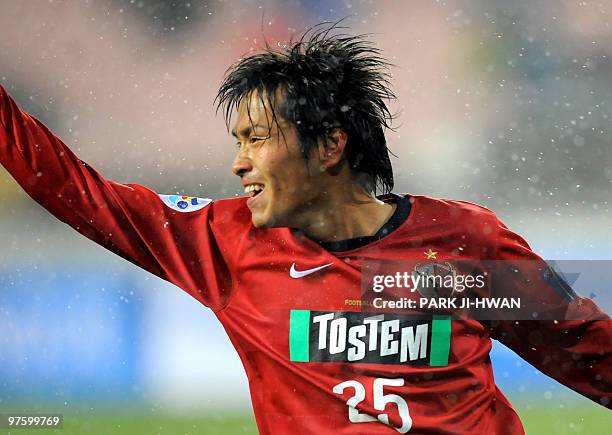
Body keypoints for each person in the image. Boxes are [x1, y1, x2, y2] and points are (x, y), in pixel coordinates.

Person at [1, 24, 610, 434]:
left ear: (329, 146)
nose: (238, 163)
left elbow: (584, 349)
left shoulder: (459, 241)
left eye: (257, 139)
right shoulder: (226, 244)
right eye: (236, 143)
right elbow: (75, 189)